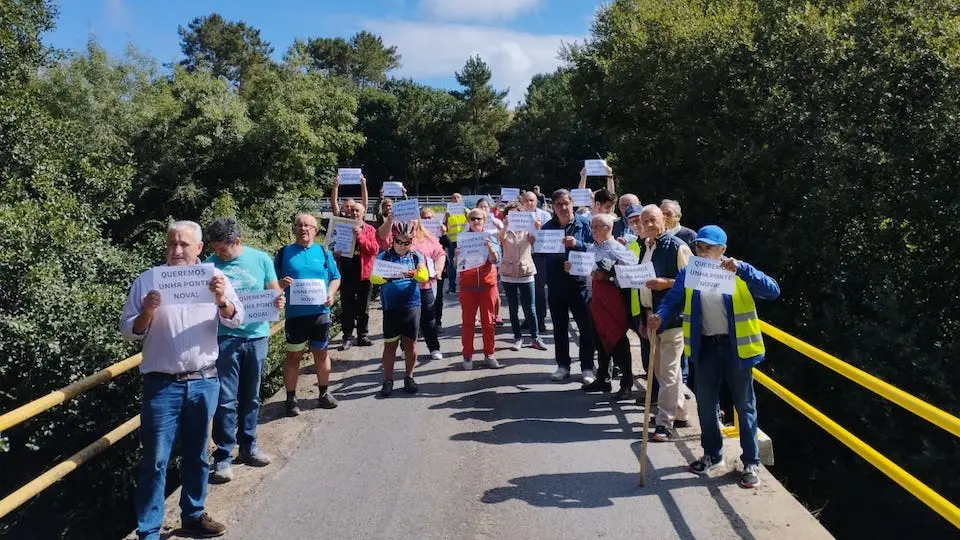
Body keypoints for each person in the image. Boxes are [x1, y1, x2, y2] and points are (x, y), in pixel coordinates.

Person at [120, 220, 243, 540]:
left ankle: (193, 514)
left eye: (184, 244)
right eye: (172, 243)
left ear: (199, 248)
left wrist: (221, 300)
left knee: (198, 454)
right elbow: (127, 331)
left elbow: (237, 317)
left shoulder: (216, 278)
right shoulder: (148, 280)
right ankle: (149, 530)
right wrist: (147, 311)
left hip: (204, 380)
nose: (176, 250)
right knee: (156, 461)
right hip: (161, 385)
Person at [648, 225, 780, 489]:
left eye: (709, 247)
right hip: (706, 346)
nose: (703, 251)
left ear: (723, 250)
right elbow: (672, 299)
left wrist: (742, 268)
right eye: (699, 246)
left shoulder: (738, 271)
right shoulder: (690, 272)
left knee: (745, 406)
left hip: (736, 348)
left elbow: (772, 290)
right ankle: (712, 454)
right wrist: (659, 316)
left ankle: (751, 462)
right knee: (706, 404)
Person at [204, 218, 284, 485]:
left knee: (251, 396)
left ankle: (249, 446)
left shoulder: (260, 259)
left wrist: (279, 299)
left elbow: (273, 293)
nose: (218, 254)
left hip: (257, 336)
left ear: (237, 241)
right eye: (214, 248)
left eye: (222, 249)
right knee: (225, 399)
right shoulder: (207, 266)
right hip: (224, 338)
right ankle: (223, 456)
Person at [632, 205, 692, 441]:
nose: (647, 226)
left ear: (664, 221)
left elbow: (691, 283)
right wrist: (643, 317)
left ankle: (663, 423)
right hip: (651, 316)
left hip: (673, 319)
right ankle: (680, 412)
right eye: (644, 221)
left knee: (666, 373)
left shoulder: (678, 247)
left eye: (652, 221)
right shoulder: (644, 247)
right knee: (664, 371)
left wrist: (666, 283)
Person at [275, 213, 341, 416]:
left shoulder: (323, 252)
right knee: (293, 356)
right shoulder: (284, 253)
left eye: (308, 226)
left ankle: (323, 393)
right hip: (295, 316)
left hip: (320, 313)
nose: (303, 229)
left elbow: (336, 278)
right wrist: (280, 285)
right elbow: (270, 284)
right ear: (294, 229)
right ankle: (291, 398)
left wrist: (330, 293)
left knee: (321, 354)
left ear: (315, 230)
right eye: (299, 225)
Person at [577, 213, 638, 398]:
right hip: (595, 300)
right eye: (592, 227)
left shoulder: (617, 248)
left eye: (596, 227)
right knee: (599, 340)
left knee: (617, 339)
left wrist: (610, 276)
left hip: (613, 300)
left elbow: (632, 273)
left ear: (607, 228)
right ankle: (603, 378)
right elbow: (586, 272)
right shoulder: (590, 248)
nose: (592, 230)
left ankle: (626, 383)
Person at [370, 221, 430, 396]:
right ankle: (388, 380)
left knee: (410, 344)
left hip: (412, 305)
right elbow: (373, 277)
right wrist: (387, 277)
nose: (403, 246)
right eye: (399, 241)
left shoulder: (416, 256)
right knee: (390, 345)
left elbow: (424, 276)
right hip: (391, 307)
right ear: (393, 240)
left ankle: (409, 377)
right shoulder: (384, 257)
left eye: (407, 242)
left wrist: (412, 273)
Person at [541, 189, 596, 383]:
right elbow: (542, 254)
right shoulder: (547, 227)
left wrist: (577, 244)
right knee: (559, 328)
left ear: (572, 203)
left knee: (585, 328)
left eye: (566, 203)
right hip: (556, 286)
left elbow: (595, 247)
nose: (563, 208)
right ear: (553, 207)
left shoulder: (585, 223)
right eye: (558, 205)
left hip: (580, 285)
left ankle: (587, 367)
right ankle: (563, 365)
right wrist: (536, 244)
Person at [456, 207, 502, 370]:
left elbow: (496, 260)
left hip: (487, 284)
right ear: (468, 221)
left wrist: (490, 248)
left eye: (479, 219)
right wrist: (456, 256)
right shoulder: (462, 238)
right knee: (468, 323)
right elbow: (457, 265)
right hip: (467, 286)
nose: (476, 221)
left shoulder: (490, 236)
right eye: (473, 219)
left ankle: (489, 354)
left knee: (488, 322)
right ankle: (467, 355)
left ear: (484, 221)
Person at [498, 202, 548, 351]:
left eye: (517, 214)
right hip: (508, 273)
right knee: (513, 309)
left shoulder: (528, 229)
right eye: (510, 214)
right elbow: (501, 238)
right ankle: (518, 337)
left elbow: (538, 242)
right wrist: (506, 225)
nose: (514, 217)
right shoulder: (504, 230)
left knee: (530, 308)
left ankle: (535, 338)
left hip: (526, 271)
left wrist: (536, 229)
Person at [334, 198, 380, 350]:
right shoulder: (342, 228)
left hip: (364, 274)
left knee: (363, 307)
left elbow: (374, 249)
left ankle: (362, 336)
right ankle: (347, 337)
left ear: (363, 213)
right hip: (346, 272)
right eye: (352, 210)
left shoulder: (370, 229)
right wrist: (336, 253)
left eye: (357, 210)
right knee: (347, 307)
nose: (354, 213)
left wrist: (360, 235)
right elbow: (333, 247)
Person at [412, 208, 447, 360]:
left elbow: (440, 253)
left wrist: (438, 270)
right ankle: (406, 347)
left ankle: (434, 348)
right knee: (408, 319)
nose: (409, 222)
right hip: (405, 285)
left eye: (412, 219)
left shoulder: (428, 236)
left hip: (424, 285)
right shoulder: (397, 236)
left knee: (429, 318)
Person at [521, 190, 552, 333]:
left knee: (538, 290)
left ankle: (540, 321)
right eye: (526, 200)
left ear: (536, 201)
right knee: (524, 290)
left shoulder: (545, 216)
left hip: (539, 257)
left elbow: (551, 239)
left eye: (531, 200)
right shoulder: (517, 216)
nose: (528, 203)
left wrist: (538, 234)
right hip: (522, 255)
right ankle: (528, 318)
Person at [475, 197, 505, 326]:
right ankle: (478, 317)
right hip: (477, 261)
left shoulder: (495, 221)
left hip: (494, 260)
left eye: (485, 207)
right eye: (480, 207)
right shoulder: (473, 221)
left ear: (489, 208)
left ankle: (496, 315)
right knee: (477, 290)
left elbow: (504, 235)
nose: (483, 209)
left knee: (494, 289)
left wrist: (498, 225)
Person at [443, 193, 467, 294]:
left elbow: (473, 220)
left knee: (466, 263)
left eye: (458, 197)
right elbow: (443, 227)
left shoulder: (465, 211)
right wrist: (446, 218)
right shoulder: (448, 213)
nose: (455, 199)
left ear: (461, 199)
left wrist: (467, 213)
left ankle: (465, 285)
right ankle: (452, 286)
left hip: (464, 240)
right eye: (453, 198)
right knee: (451, 264)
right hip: (451, 241)